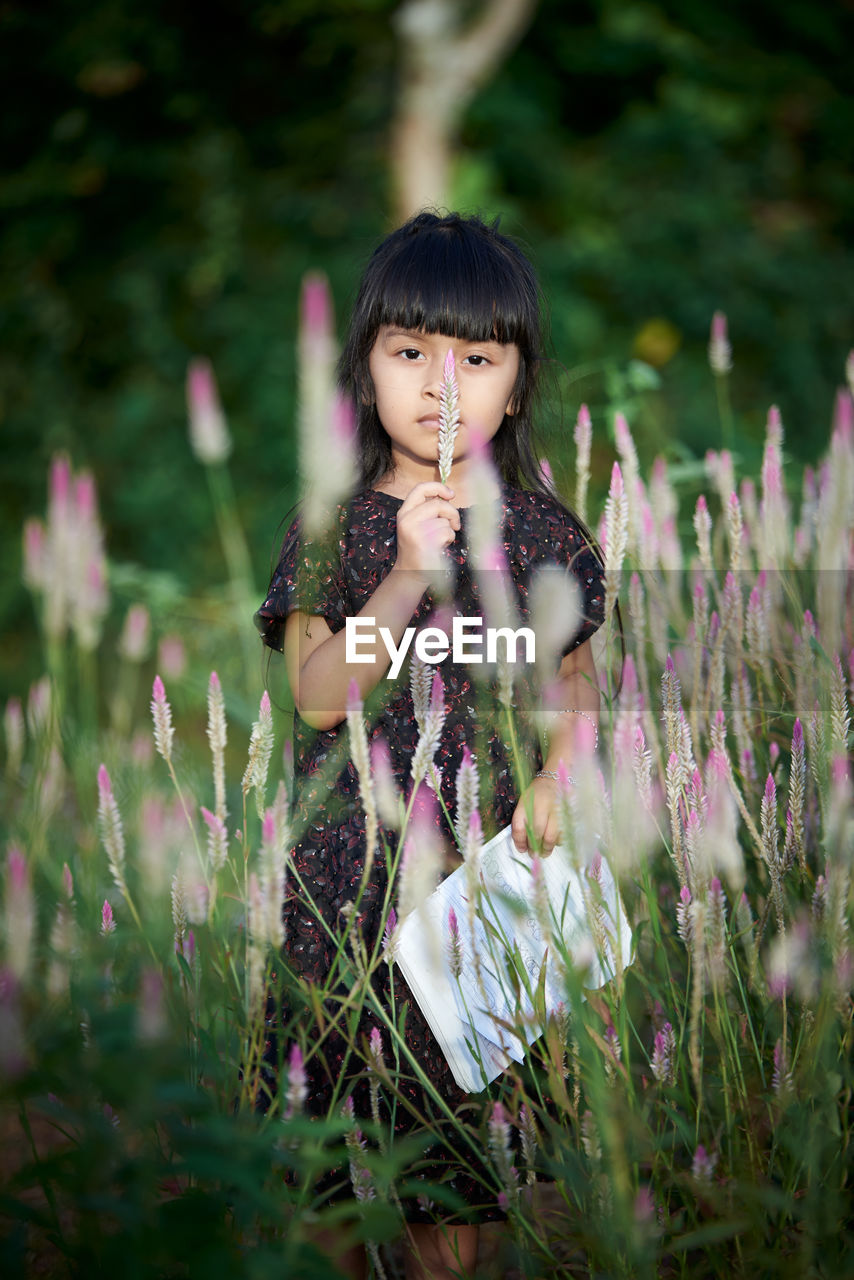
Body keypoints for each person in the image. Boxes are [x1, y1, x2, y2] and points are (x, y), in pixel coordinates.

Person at [255, 211, 607, 1279]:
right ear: (365, 369)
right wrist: (405, 571)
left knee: (462, 1148)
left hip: (475, 890)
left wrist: (560, 768)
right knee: (330, 1153)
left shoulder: (547, 536)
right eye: (411, 352)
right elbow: (316, 698)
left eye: (476, 357)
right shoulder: (335, 526)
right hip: (345, 888)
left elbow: (574, 680)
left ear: (515, 379)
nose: (442, 384)